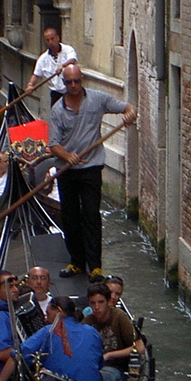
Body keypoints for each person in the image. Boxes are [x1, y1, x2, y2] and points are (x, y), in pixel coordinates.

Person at [49, 63, 137, 281]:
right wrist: (67, 155)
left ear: (82, 80)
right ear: (64, 83)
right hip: (66, 169)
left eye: (76, 81)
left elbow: (129, 108)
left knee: (91, 215)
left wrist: (129, 115)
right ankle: (77, 262)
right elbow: (53, 144)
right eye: (68, 82)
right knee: (69, 216)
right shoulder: (57, 110)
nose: (73, 85)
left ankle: (95, 267)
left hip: (91, 167)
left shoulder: (98, 99)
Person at [0, 295, 104, 381]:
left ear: (58, 311)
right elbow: (98, 364)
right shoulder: (92, 331)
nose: (46, 319)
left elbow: (16, 357)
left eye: (48, 314)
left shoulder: (48, 332)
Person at [82, 283, 136, 381]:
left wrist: (110, 355)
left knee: (102, 378)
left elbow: (136, 347)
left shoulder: (119, 317)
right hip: (92, 366)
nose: (97, 307)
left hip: (114, 367)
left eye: (101, 302)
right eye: (93, 303)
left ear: (107, 302)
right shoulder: (88, 321)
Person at [25, 28, 78, 106]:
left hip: (71, 91)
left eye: (52, 39)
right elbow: (36, 75)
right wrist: (30, 85)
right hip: (56, 93)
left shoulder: (68, 50)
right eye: (47, 40)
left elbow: (72, 60)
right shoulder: (43, 58)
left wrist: (62, 65)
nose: (50, 42)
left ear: (57, 38)